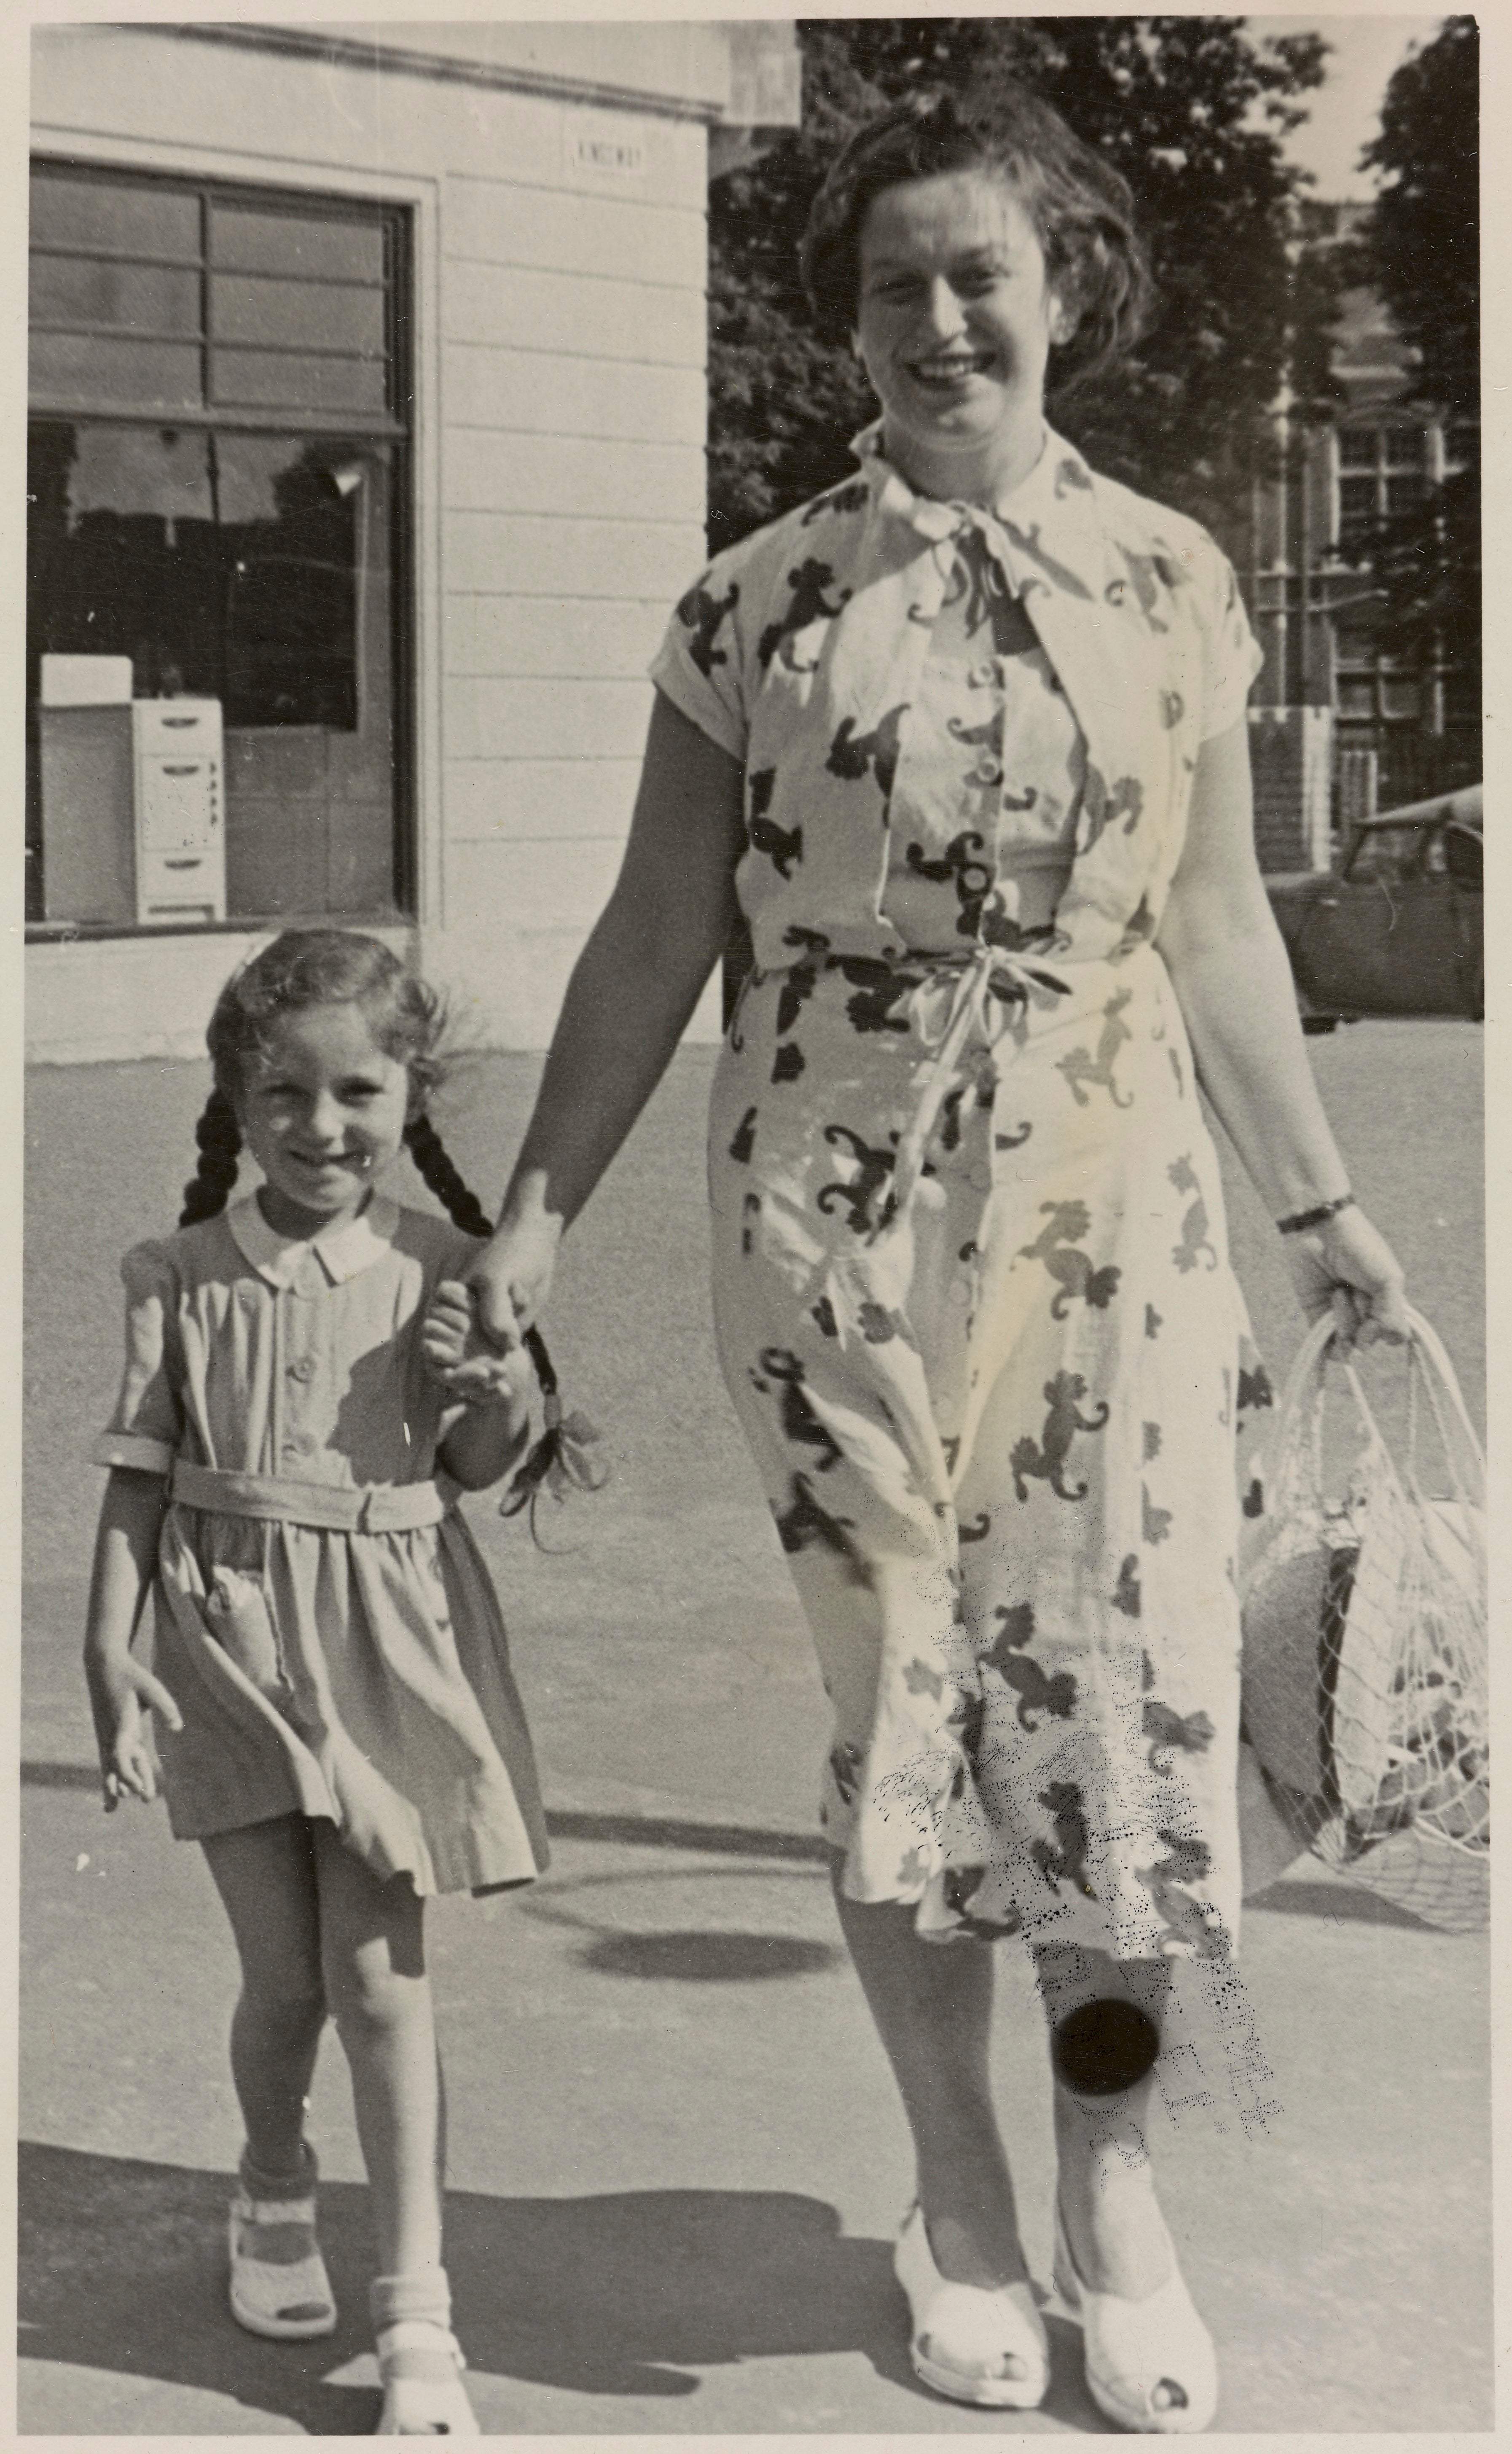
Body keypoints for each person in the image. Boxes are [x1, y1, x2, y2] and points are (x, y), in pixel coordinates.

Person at [468, 88, 1410, 2432]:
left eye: (978, 271)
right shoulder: (753, 598)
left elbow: (1213, 934)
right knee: (904, 1715)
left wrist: (1330, 1221)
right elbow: (651, 932)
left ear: (1064, 285)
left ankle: (1114, 2188)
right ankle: (956, 2196)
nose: (936, 318)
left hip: (1116, 1223)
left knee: (1114, 1718)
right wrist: (536, 1208)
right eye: (893, 281)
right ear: (848, 320)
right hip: (826, 1226)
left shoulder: (1178, 581)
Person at [83, 930, 553, 2436]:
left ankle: (418, 2307)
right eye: (284, 1093)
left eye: (359, 1090)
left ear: (411, 1093)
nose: (323, 1126)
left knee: (380, 1984)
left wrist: (489, 1389)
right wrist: (106, 1646)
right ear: (238, 1094)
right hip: (218, 1647)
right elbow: (139, 1483)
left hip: (384, 1651)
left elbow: (480, 1469)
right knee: (283, 1984)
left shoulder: (446, 1270)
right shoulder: (178, 1275)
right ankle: (272, 2180)